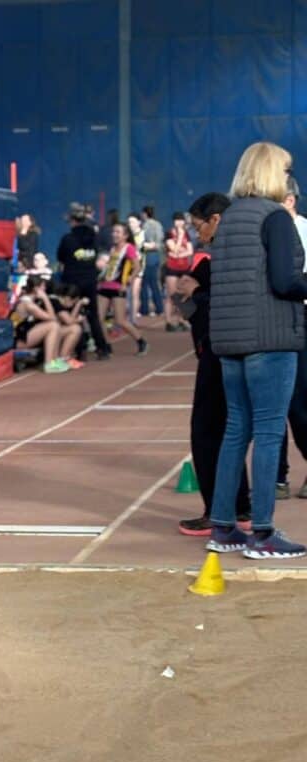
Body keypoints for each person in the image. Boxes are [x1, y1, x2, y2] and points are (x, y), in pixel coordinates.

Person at [206, 141, 307, 559]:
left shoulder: (229, 218)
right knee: (268, 432)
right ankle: (262, 533)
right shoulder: (275, 218)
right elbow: (286, 282)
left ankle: (223, 526)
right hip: (271, 337)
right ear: (271, 173)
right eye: (284, 170)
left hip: (231, 340)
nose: (288, 177)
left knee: (236, 431)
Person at [171, 193, 251, 537]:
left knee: (206, 431)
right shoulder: (245, 250)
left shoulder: (213, 258)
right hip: (239, 350)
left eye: (197, 225)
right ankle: (241, 508)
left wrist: (195, 293)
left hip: (219, 352)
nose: (195, 232)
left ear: (216, 219)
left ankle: (218, 512)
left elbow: (201, 304)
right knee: (232, 431)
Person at [275, 175, 307, 499]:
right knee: (274, 404)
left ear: (290, 200)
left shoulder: (305, 231)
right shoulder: (267, 230)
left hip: (302, 319)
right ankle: (278, 477)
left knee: (300, 403)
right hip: (273, 322)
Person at [56, 202, 110, 359]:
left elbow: (61, 257)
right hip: (90, 280)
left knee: (74, 314)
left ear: (72, 221)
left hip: (73, 282)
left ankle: (80, 350)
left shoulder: (68, 239)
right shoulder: (93, 238)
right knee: (93, 316)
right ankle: (102, 348)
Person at [97, 224, 148, 355]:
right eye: (113, 231)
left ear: (125, 235)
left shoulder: (129, 248)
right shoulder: (112, 248)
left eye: (118, 232)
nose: (114, 234)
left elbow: (137, 266)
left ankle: (141, 341)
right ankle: (106, 344)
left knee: (120, 320)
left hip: (118, 286)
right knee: (99, 318)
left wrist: (131, 278)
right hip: (104, 286)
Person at [12, 276, 68, 373]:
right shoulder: (28, 304)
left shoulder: (31, 301)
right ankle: (49, 363)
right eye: (43, 287)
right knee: (53, 325)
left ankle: (54, 360)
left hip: (25, 334)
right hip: (18, 340)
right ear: (36, 289)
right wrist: (45, 298)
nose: (45, 289)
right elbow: (52, 316)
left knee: (55, 325)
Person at [164, 212, 194, 331]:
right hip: (172, 268)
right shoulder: (169, 233)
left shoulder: (187, 234)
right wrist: (180, 238)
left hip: (184, 267)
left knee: (184, 295)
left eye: (181, 220)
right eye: (177, 220)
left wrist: (180, 253)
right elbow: (174, 249)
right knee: (172, 296)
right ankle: (169, 321)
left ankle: (182, 320)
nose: (179, 223)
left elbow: (190, 251)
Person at [139, 205, 165, 317]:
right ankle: (159, 308)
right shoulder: (158, 224)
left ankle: (145, 309)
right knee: (154, 283)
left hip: (147, 256)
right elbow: (160, 241)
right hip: (155, 256)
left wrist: (146, 246)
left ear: (145, 213)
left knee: (144, 284)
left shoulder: (144, 225)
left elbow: (143, 243)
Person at [126, 212, 145, 321]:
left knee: (135, 292)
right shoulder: (126, 235)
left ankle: (133, 319)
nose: (131, 224)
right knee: (126, 293)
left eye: (133, 221)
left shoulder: (143, 234)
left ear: (139, 222)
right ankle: (126, 317)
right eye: (129, 222)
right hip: (126, 268)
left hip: (138, 267)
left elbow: (153, 244)